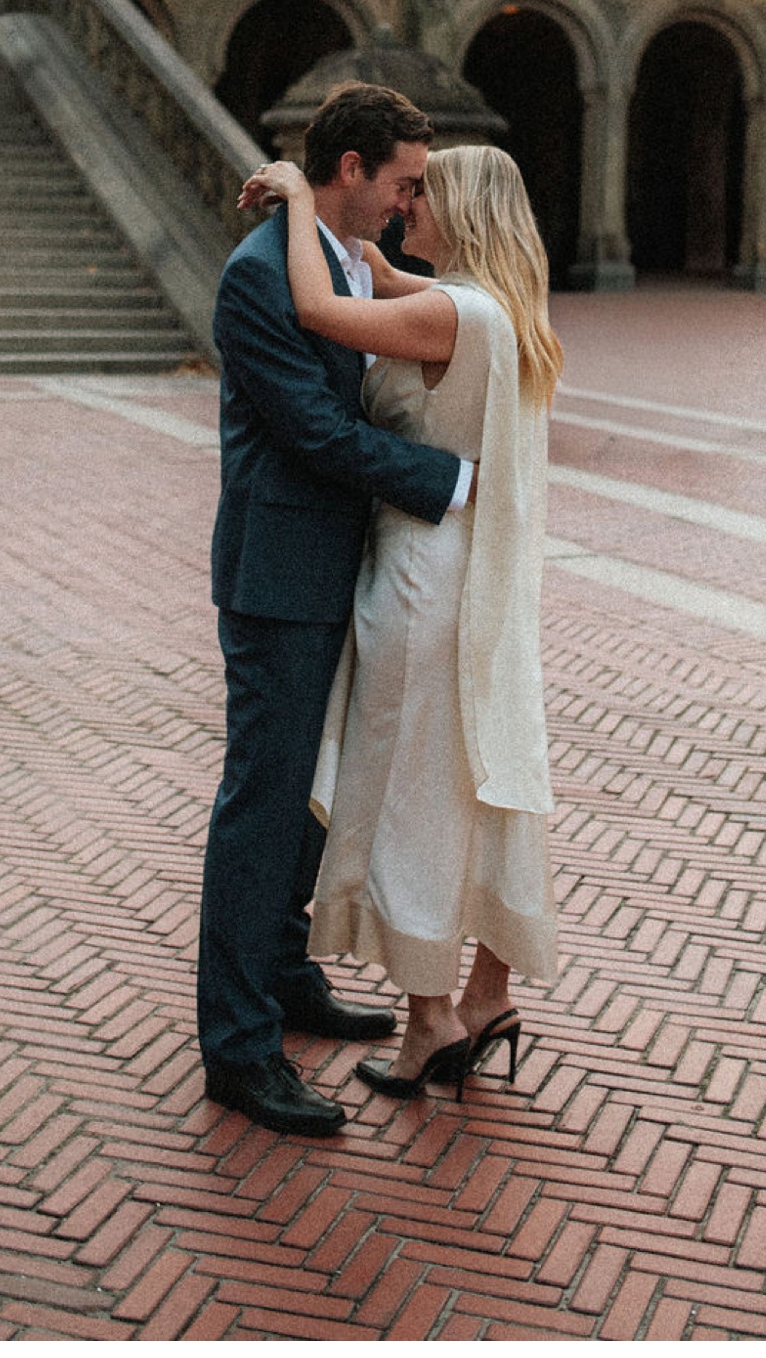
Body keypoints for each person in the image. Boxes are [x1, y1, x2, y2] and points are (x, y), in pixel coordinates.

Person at [244, 143, 562, 1101]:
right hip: (481, 579)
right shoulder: (501, 311)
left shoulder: (444, 311)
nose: (406, 203)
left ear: (460, 209)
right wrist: (375, 262)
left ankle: (429, 1019)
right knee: (486, 778)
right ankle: (487, 995)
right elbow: (388, 288)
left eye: (424, 193)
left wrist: (302, 199)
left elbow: (315, 310)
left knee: (407, 791)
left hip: (421, 575)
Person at [198, 83, 474, 1139]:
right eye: (403, 181)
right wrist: (447, 481)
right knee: (262, 805)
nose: (411, 201)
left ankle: (285, 975)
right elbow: (314, 430)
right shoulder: (260, 274)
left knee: (313, 794)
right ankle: (238, 1046)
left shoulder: (346, 260)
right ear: (349, 168)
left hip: (340, 565)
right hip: (279, 572)